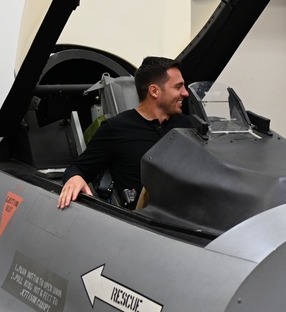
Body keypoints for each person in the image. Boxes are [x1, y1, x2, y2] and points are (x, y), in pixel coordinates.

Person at [57, 56, 191, 210]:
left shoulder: (187, 125)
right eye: (178, 87)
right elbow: (78, 168)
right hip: (143, 224)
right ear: (154, 91)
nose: (185, 93)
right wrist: (75, 178)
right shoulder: (116, 128)